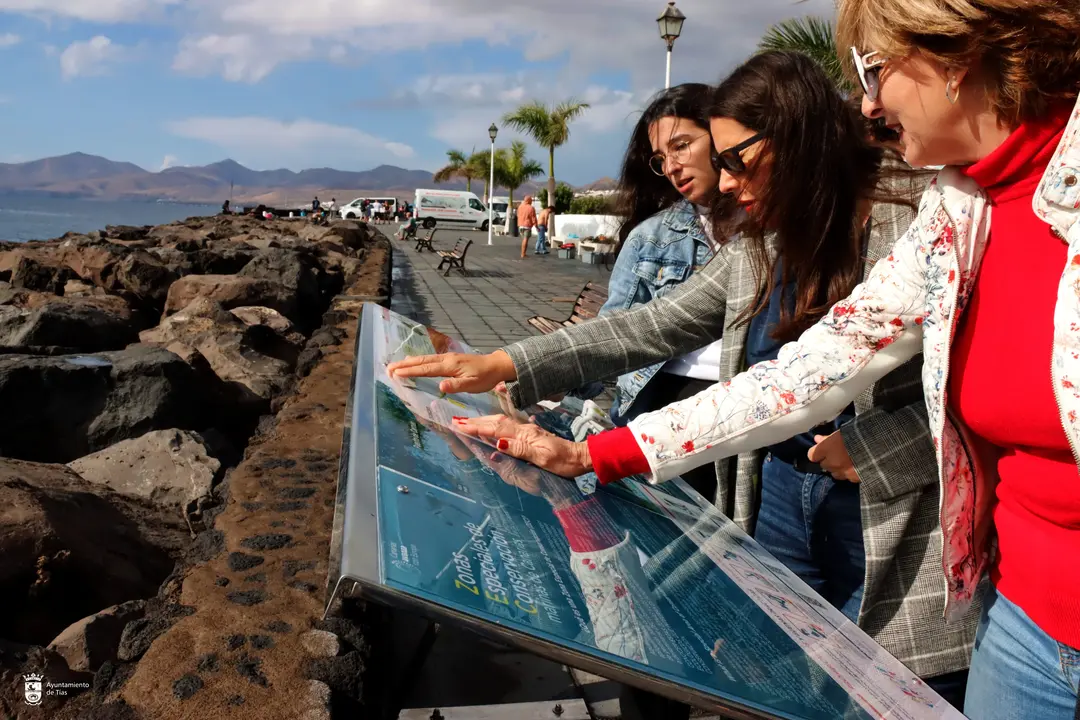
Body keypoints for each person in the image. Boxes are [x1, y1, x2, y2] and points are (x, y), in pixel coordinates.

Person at [388, 51, 975, 711]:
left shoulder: (929, 216)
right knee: (782, 690)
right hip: (777, 495)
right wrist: (507, 364)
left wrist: (872, 448)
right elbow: (649, 327)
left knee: (900, 691)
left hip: (897, 523)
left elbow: (993, 391)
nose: (722, 183)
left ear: (799, 136)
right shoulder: (765, 243)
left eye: (734, 159)